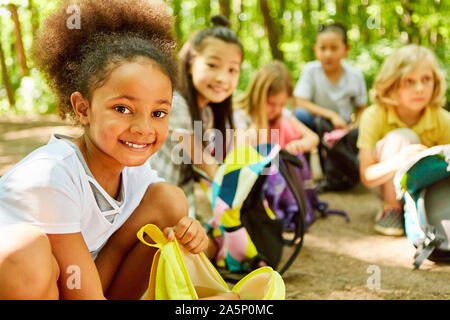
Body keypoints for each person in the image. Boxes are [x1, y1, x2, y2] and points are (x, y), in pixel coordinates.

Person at [0, 0, 237, 300]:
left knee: (169, 201)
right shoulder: (50, 177)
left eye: (158, 113)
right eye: (122, 108)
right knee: (27, 251)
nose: (143, 128)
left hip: (82, 285)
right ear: (82, 108)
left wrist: (190, 232)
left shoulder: (136, 172)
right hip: (32, 283)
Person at [149, 15, 243, 221]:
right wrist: (240, 192)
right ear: (190, 64)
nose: (222, 78)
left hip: (177, 199)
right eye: (212, 65)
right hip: (149, 202)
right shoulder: (175, 103)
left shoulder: (207, 112)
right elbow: (203, 161)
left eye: (232, 70)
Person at [357, 44, 450, 236]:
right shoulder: (374, 115)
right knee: (402, 137)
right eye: (409, 81)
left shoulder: (442, 119)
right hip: (385, 183)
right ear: (392, 84)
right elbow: (367, 176)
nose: (419, 89)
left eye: (426, 79)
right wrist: (400, 161)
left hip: (426, 188)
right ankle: (392, 209)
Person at [293, 22, 367, 131]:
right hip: (315, 124)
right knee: (300, 115)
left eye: (334, 48)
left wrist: (353, 126)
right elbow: (300, 102)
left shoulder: (355, 76)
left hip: (343, 127)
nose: (328, 54)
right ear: (315, 49)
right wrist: (331, 115)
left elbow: (362, 108)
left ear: (346, 49)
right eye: (322, 48)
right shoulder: (310, 70)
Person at [234, 60, 319, 155]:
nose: (277, 110)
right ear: (257, 95)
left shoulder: (282, 113)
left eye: (282, 104)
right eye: (271, 103)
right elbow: (240, 151)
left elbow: (313, 138)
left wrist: (298, 144)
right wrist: (259, 126)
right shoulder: (241, 116)